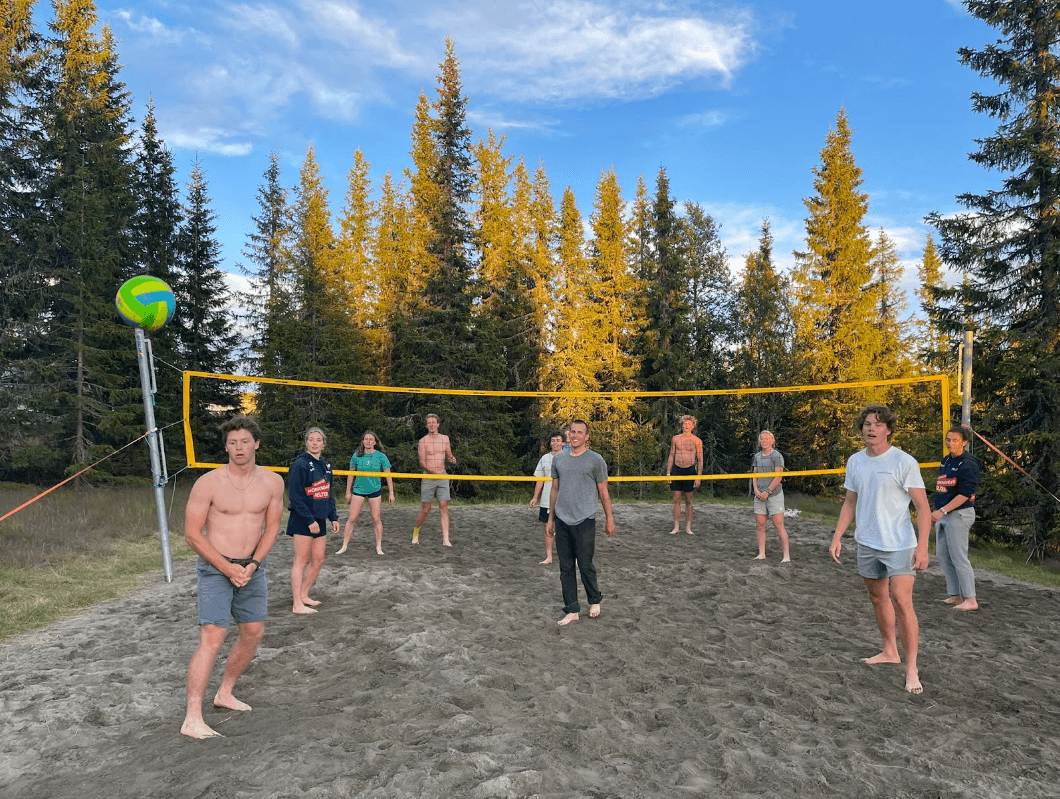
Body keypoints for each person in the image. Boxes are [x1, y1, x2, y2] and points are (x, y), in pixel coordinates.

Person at [181, 415, 285, 739]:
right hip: (216, 567)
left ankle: (224, 693)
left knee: (253, 632)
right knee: (213, 636)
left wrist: (253, 564)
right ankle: (192, 718)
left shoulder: (272, 482)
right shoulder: (208, 483)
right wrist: (226, 568)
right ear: (225, 447)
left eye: (244, 442)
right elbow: (192, 534)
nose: (238, 448)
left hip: (251, 568)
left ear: (256, 444)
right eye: (232, 443)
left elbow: (272, 528)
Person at [829, 405, 932, 694]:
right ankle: (890, 651)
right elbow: (850, 503)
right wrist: (837, 536)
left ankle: (912, 669)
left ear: (888, 429)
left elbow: (923, 508)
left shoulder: (904, 461)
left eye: (877, 424)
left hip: (899, 544)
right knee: (878, 598)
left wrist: (923, 547)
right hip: (867, 542)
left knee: (901, 600)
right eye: (866, 424)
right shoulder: (855, 461)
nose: (871, 429)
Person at [547, 419, 616, 626]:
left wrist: (610, 519)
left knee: (585, 565)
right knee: (566, 567)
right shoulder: (559, 459)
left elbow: (603, 492)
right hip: (562, 519)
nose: (575, 435)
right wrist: (550, 519)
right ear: (568, 434)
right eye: (572, 431)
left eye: (579, 432)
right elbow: (554, 490)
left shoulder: (595, 460)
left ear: (586, 437)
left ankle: (594, 600)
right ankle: (572, 609)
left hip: (585, 519)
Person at [286, 427, 339, 614]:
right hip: (302, 519)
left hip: (320, 518)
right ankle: (297, 604)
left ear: (323, 444)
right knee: (300, 561)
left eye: (318, 440)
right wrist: (309, 520)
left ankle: (303, 595)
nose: (315, 443)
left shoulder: (326, 465)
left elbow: (328, 493)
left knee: (318, 559)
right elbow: (295, 497)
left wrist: (333, 517)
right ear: (306, 442)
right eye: (311, 439)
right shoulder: (300, 464)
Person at [932, 425, 981, 612]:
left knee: (959, 557)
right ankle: (955, 594)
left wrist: (942, 511)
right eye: (948, 439)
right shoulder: (946, 460)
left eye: (955, 440)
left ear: (964, 443)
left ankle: (970, 599)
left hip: (958, 513)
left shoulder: (968, 464)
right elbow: (944, 487)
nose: (950, 443)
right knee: (943, 555)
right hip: (944, 514)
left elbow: (965, 494)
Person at [338, 430, 395, 556]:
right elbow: (350, 474)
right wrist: (348, 492)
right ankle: (344, 545)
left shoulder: (381, 456)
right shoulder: (356, 456)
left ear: (375, 442)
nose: (368, 441)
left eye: (371, 439)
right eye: (366, 439)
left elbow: (388, 475)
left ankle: (379, 547)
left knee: (376, 518)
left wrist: (391, 493)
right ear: (363, 441)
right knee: (352, 518)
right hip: (358, 490)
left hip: (374, 490)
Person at [412, 413, 457, 546]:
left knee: (444, 507)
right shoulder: (423, 441)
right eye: (429, 423)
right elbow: (422, 463)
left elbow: (449, 454)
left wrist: (452, 459)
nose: (431, 425)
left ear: (438, 424)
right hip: (429, 477)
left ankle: (446, 539)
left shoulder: (445, 439)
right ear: (426, 425)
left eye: (433, 422)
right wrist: (433, 472)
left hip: (442, 476)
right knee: (426, 509)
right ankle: (416, 531)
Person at [752, 430, 791, 561]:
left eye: (767, 439)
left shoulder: (777, 456)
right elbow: (754, 475)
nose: (764, 441)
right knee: (760, 525)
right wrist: (756, 490)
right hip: (759, 495)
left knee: (778, 525)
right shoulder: (757, 456)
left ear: (772, 441)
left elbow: (778, 477)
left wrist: (767, 491)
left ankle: (786, 556)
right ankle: (761, 554)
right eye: (762, 439)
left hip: (774, 495)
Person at [529, 431, 566, 564]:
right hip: (547, 500)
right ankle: (549, 557)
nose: (555, 443)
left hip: (564, 500)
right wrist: (535, 497)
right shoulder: (545, 458)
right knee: (548, 528)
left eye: (558, 440)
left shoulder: (569, 457)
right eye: (553, 440)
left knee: (567, 529)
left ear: (563, 443)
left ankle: (571, 557)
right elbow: (540, 479)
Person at [666, 415, 703, 535]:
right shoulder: (675, 439)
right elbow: (671, 455)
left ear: (693, 426)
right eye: (685, 424)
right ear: (682, 425)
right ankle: (676, 527)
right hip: (677, 470)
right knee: (676, 499)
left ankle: (688, 527)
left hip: (690, 470)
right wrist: (668, 473)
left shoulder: (697, 441)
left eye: (689, 424)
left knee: (688, 500)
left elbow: (700, 459)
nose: (686, 426)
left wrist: (698, 476)